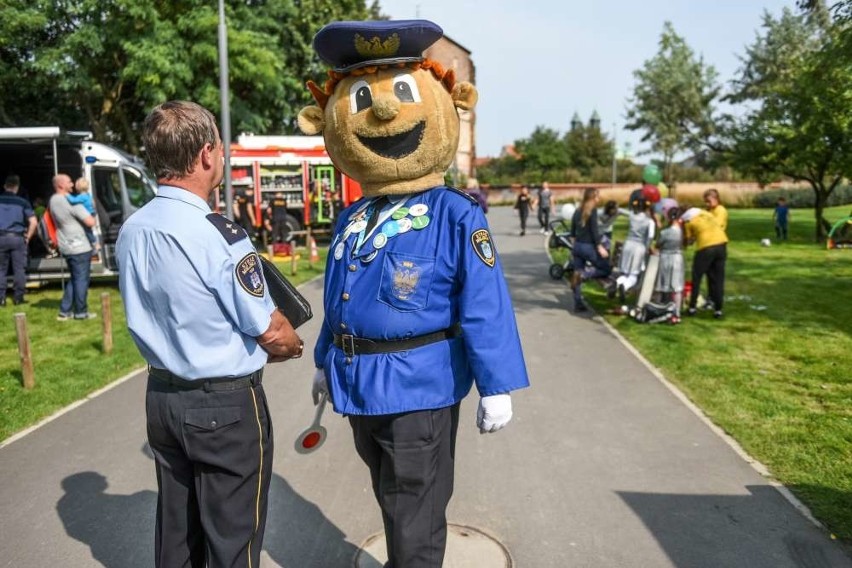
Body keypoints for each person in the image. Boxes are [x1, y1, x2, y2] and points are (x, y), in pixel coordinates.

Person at [299, 20, 529, 567]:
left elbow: (483, 302)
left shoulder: (455, 214)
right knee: (393, 501)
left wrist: (496, 384)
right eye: (362, 98)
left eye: (402, 92)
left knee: (416, 516)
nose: (381, 112)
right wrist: (324, 359)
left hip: (418, 388)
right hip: (358, 384)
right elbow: (342, 296)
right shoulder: (354, 216)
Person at [116, 100, 304, 568]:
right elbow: (271, 331)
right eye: (219, 148)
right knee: (232, 539)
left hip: (162, 396)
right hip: (224, 406)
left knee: (176, 534)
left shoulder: (133, 228)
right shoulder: (219, 234)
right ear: (205, 155)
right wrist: (294, 346)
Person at [48, 173, 97, 320]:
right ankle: (81, 312)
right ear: (61, 185)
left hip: (66, 245)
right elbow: (90, 222)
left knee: (75, 278)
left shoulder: (53, 200)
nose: (72, 185)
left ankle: (65, 311)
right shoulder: (72, 202)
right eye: (69, 182)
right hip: (79, 246)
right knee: (81, 280)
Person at [569, 187, 611, 312]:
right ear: (593, 197)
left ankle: (578, 304)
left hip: (577, 246)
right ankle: (585, 274)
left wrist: (575, 246)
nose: (599, 199)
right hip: (588, 247)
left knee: (577, 271)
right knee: (606, 268)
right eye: (597, 196)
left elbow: (572, 233)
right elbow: (594, 231)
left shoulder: (577, 211)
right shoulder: (592, 211)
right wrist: (600, 247)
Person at [681, 206, 728, 319]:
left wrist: (686, 240)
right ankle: (718, 310)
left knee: (697, 277)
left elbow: (688, 240)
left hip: (705, 248)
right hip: (722, 244)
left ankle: (692, 308)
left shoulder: (688, 221)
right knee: (718, 279)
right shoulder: (706, 213)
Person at [0, 174, 37, 306]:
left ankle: (1, 298)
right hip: (17, 237)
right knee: (19, 269)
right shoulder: (23, 202)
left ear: (5, 186)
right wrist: (28, 237)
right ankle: (18, 298)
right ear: (17, 187)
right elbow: (33, 222)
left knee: (1, 269)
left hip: (1, 237)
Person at [613, 194, 655, 304]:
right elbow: (650, 237)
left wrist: (616, 208)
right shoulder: (649, 221)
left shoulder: (632, 216)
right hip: (639, 247)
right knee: (633, 274)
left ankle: (617, 283)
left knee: (624, 272)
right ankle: (625, 286)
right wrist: (647, 247)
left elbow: (622, 211)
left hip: (628, 245)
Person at [652, 205, 684, 323]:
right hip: (677, 258)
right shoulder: (682, 232)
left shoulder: (665, 232)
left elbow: (658, 245)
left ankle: (659, 308)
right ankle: (677, 312)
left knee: (661, 284)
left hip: (665, 257)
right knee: (677, 286)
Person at [68, 177, 100, 255]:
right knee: (89, 231)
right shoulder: (88, 195)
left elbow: (73, 200)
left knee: (87, 231)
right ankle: (94, 244)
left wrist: (66, 195)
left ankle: (95, 245)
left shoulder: (82, 196)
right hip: (91, 213)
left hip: (87, 215)